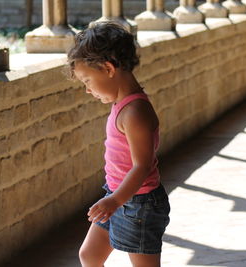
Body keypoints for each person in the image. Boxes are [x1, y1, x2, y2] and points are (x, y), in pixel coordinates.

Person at [67, 21, 170, 267]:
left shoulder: (135, 112)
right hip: (118, 195)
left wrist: (115, 201)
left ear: (108, 67)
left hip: (139, 206)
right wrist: (113, 199)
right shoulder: (122, 105)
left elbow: (142, 166)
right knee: (89, 255)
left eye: (87, 81)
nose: (88, 90)